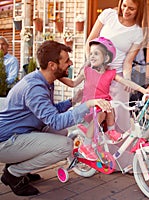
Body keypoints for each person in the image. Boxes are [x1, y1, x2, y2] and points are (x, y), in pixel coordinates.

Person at [0, 40, 111, 196]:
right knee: (65, 145)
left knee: (62, 134)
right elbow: (56, 121)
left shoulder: (43, 80)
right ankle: (13, 173)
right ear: (52, 65)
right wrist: (88, 104)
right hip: (6, 141)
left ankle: (19, 164)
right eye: (66, 61)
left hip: (21, 131)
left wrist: (72, 101)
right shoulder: (35, 88)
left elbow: (49, 113)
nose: (70, 63)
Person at [60, 37, 149, 161]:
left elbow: (126, 82)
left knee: (109, 108)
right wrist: (56, 76)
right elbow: (73, 83)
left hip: (103, 108)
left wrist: (143, 90)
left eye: (96, 53)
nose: (92, 56)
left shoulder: (110, 74)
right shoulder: (87, 71)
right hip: (89, 109)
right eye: (91, 53)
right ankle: (86, 146)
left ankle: (111, 131)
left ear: (106, 58)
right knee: (101, 112)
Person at [85, 0, 148, 133]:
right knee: (95, 114)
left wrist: (127, 79)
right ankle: (90, 148)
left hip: (117, 76)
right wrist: (92, 63)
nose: (126, 11)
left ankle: (117, 152)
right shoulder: (108, 15)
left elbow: (128, 62)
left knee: (119, 118)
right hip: (97, 73)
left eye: (131, 8)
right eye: (124, 6)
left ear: (139, 10)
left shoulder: (137, 32)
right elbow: (90, 41)